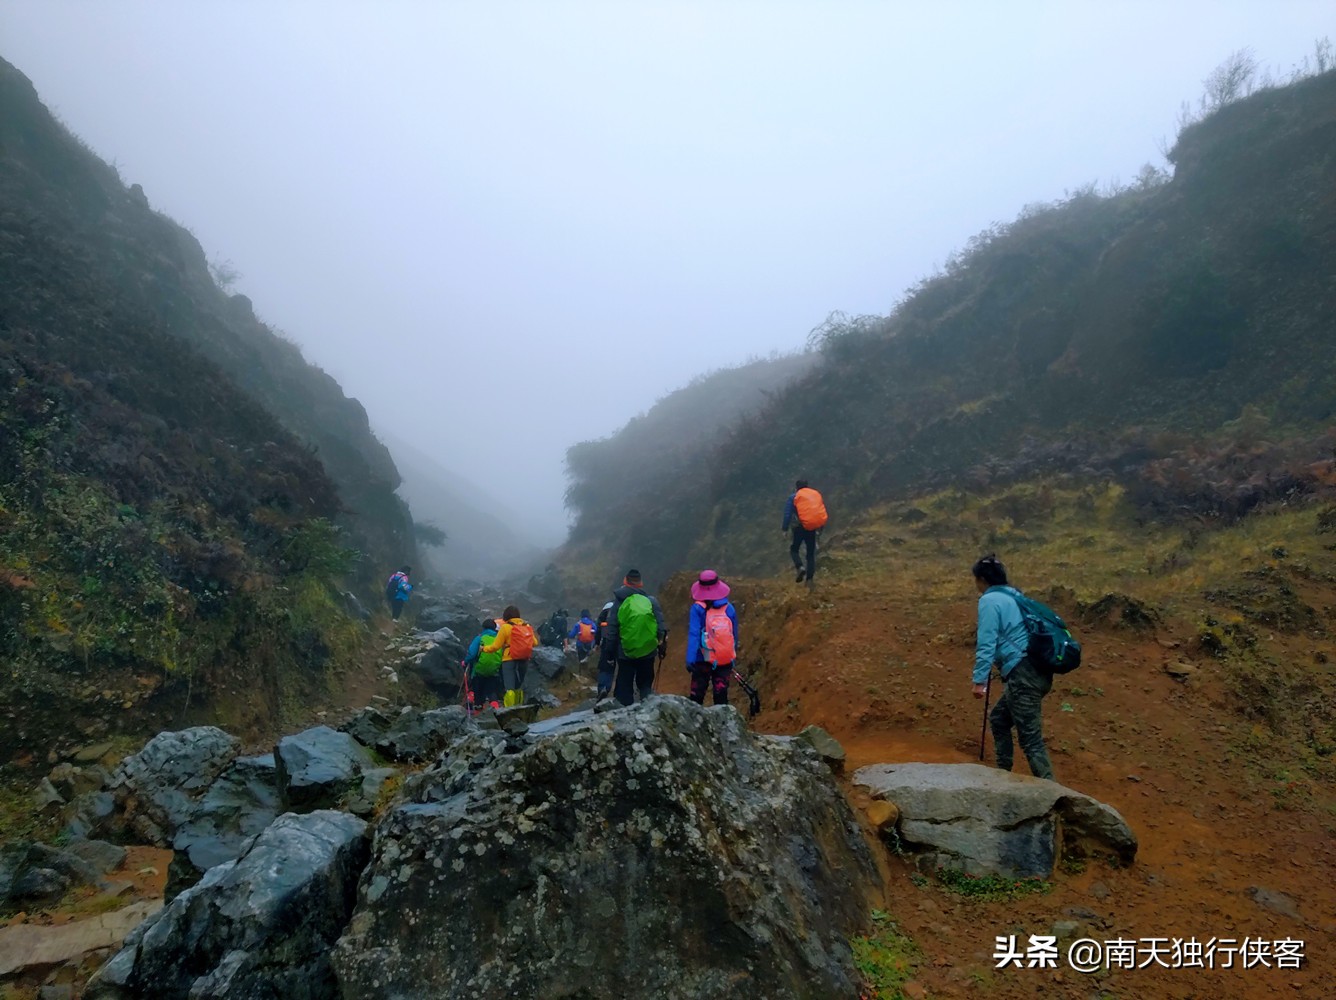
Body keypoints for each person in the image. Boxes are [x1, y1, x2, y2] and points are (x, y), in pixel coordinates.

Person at [971, 554, 1055, 781]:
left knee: (1031, 741)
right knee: (999, 720)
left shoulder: (989, 601)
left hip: (1023, 674)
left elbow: (986, 642)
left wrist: (980, 681)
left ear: (981, 579)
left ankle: (1055, 796)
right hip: (1037, 670)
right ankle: (1002, 775)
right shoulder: (1016, 595)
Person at [604, 569, 667, 706]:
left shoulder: (619, 603)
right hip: (648, 651)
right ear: (640, 584)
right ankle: (648, 712)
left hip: (625, 653)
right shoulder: (650, 601)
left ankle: (625, 717)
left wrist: (609, 652)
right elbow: (661, 627)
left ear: (625, 582)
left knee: (624, 687)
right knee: (645, 685)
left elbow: (612, 629)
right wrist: (661, 647)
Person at [685, 570, 738, 706]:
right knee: (721, 696)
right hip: (723, 658)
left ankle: (695, 725)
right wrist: (731, 655)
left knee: (697, 697)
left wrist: (690, 658)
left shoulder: (697, 609)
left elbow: (694, 634)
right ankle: (723, 725)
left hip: (702, 658)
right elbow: (734, 634)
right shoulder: (729, 608)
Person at [481, 605, 539, 707]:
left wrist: (484, 649)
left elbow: (495, 646)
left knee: (509, 687)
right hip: (524, 658)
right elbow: (535, 643)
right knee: (518, 686)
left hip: (509, 659)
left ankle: (510, 709)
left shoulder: (506, 628)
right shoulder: (527, 626)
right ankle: (520, 707)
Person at [781, 480, 827, 585]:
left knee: (794, 549)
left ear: (797, 487)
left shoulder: (794, 497)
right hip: (811, 527)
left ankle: (800, 567)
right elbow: (819, 510)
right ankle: (809, 579)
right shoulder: (814, 495)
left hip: (798, 528)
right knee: (810, 554)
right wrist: (820, 528)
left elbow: (787, 514)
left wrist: (784, 529)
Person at [464, 619, 504, 712]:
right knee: (491, 691)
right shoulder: (498, 639)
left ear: (483, 628)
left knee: (477, 691)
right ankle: (496, 710)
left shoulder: (479, 638)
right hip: (494, 670)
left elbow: (472, 654)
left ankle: (477, 710)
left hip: (479, 670)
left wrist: (465, 662)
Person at [594, 601, 616, 700]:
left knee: (605, 667)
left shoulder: (604, 611)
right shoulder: (619, 609)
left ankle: (602, 689)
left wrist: (597, 643)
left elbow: (598, 629)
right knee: (616, 667)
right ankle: (609, 689)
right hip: (618, 642)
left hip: (605, 642)